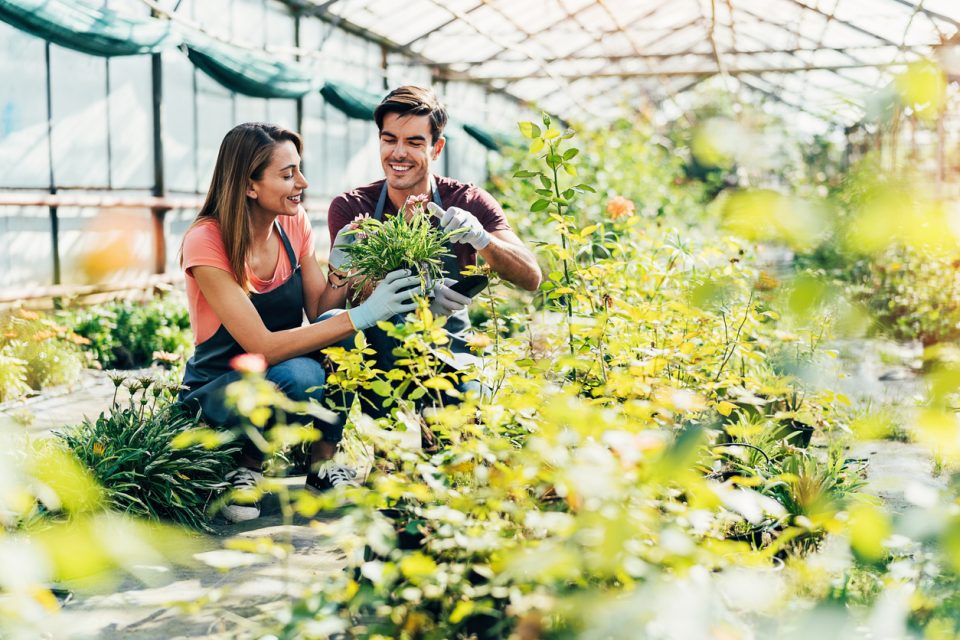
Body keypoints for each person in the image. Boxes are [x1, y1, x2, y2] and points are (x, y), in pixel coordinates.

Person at [177, 122, 422, 522]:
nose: (302, 182)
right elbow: (263, 347)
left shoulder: (293, 223)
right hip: (220, 391)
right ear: (249, 185)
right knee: (302, 372)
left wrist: (343, 270)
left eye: (299, 170)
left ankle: (322, 466)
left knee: (328, 332)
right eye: (288, 174)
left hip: (279, 371)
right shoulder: (207, 240)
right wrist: (363, 313)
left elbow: (319, 310)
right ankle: (247, 467)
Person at [324, 86, 542, 427]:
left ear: (436, 147)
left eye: (413, 142)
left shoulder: (468, 200)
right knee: (390, 453)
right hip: (381, 350)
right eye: (389, 139)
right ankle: (335, 462)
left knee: (454, 444)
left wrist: (482, 239)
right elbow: (357, 291)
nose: (398, 153)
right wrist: (424, 300)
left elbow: (530, 277)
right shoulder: (354, 208)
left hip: (450, 346)